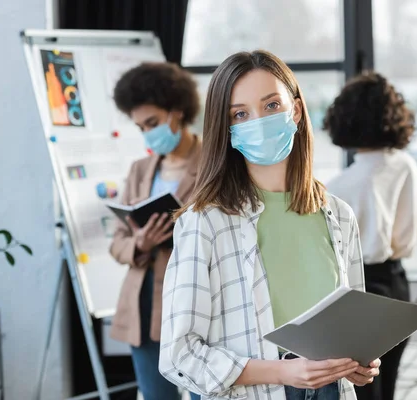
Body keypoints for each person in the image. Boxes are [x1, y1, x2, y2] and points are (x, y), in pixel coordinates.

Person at [158, 50, 381, 400]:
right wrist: (286, 373)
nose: (258, 122)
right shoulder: (205, 223)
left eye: (271, 106)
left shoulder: (338, 215)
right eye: (240, 114)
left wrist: (359, 362)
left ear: (295, 109)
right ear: (227, 129)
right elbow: (179, 356)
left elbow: (350, 329)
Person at [324, 71, 417, 400]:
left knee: (363, 390)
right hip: (399, 282)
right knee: (388, 386)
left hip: (363, 288)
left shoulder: (342, 185)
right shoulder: (407, 165)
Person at [109, 62, 202, 400]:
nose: (148, 134)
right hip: (145, 300)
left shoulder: (215, 163)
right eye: (140, 127)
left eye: (152, 123)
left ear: (177, 111)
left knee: (207, 392)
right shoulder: (139, 170)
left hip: (196, 298)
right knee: (155, 395)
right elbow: (117, 244)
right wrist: (140, 242)